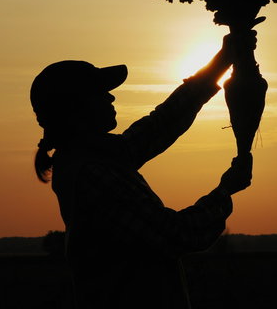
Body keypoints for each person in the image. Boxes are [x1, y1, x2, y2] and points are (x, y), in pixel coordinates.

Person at [30, 32, 257, 308]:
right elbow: (175, 235)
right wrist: (224, 192)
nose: (111, 98)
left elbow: (160, 124)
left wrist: (221, 62)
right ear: (76, 109)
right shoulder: (92, 173)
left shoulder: (98, 157)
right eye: (101, 93)